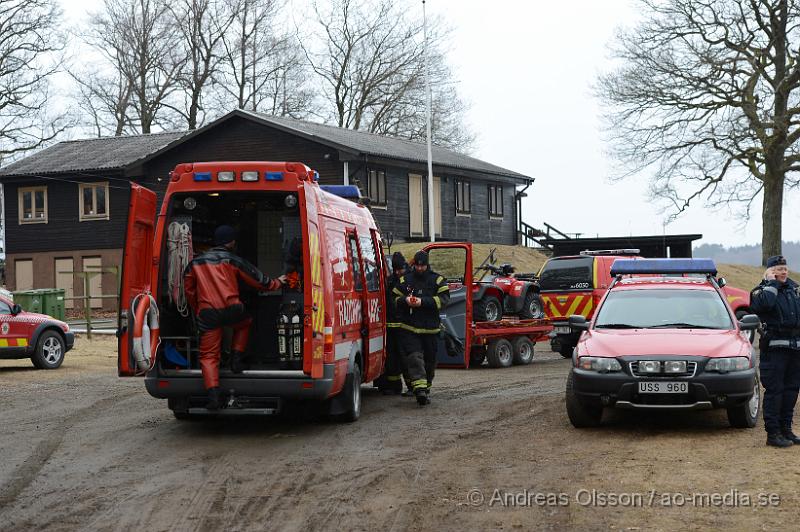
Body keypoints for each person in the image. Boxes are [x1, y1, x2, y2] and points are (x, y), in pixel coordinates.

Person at [184, 225, 286, 410]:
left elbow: (189, 290)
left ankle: (214, 396)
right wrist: (278, 282)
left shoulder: (195, 263)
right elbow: (259, 280)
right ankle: (236, 359)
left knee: (208, 356)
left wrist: (199, 307)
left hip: (208, 313)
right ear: (231, 242)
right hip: (232, 309)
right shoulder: (233, 260)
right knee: (245, 323)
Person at [750, 255, 800, 448]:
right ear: (770, 271)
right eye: (778, 269)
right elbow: (765, 306)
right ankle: (773, 434)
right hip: (774, 350)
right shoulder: (761, 292)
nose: (783, 272)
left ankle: (786, 430)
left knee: (791, 391)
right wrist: (771, 284)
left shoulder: (794, 291)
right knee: (775, 391)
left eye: (785, 268)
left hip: (795, 349)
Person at [393, 250, 450, 406]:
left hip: (430, 329)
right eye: (417, 266)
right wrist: (405, 300)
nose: (419, 269)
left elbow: (444, 300)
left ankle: (426, 388)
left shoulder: (437, 280)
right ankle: (419, 391)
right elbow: (394, 298)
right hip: (410, 328)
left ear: (427, 264)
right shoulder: (405, 280)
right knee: (414, 358)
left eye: (422, 266)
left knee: (430, 362)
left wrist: (422, 302)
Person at [376, 252, 410, 395]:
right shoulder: (390, 281)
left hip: (407, 327)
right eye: (395, 270)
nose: (397, 272)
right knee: (391, 358)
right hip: (391, 326)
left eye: (400, 269)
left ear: (405, 267)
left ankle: (413, 387)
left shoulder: (411, 280)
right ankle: (394, 386)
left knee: (408, 358)